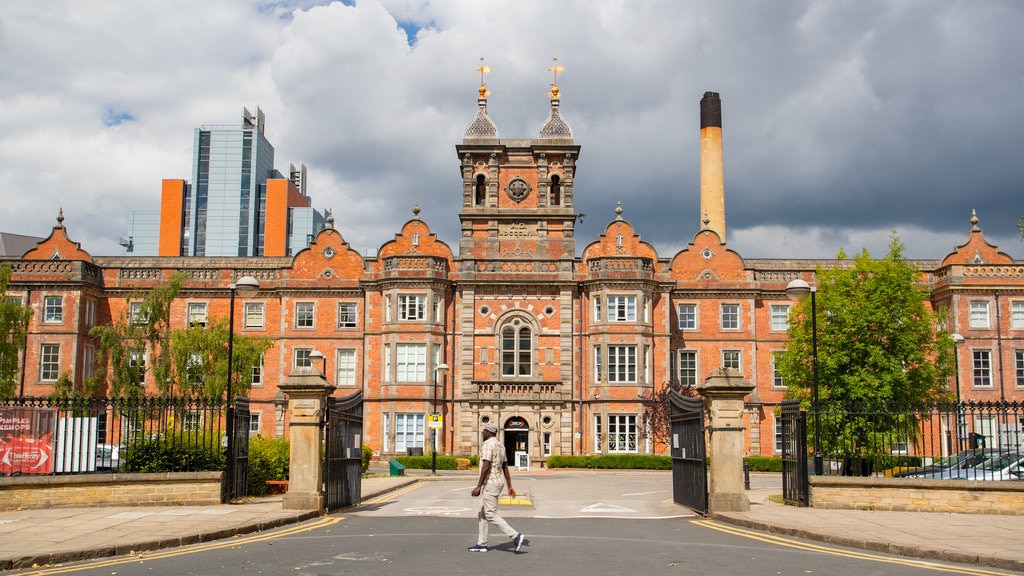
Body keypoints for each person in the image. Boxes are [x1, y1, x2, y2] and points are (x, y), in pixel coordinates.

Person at [469, 422, 525, 553]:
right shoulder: (501, 445)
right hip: (499, 482)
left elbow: (486, 466)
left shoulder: (488, 445)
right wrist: (510, 486)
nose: (482, 433)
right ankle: (482, 544)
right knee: (482, 514)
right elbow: (505, 467)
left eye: (484, 431)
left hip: (491, 483)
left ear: (489, 432)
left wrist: (478, 486)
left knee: (490, 514)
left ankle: (515, 536)